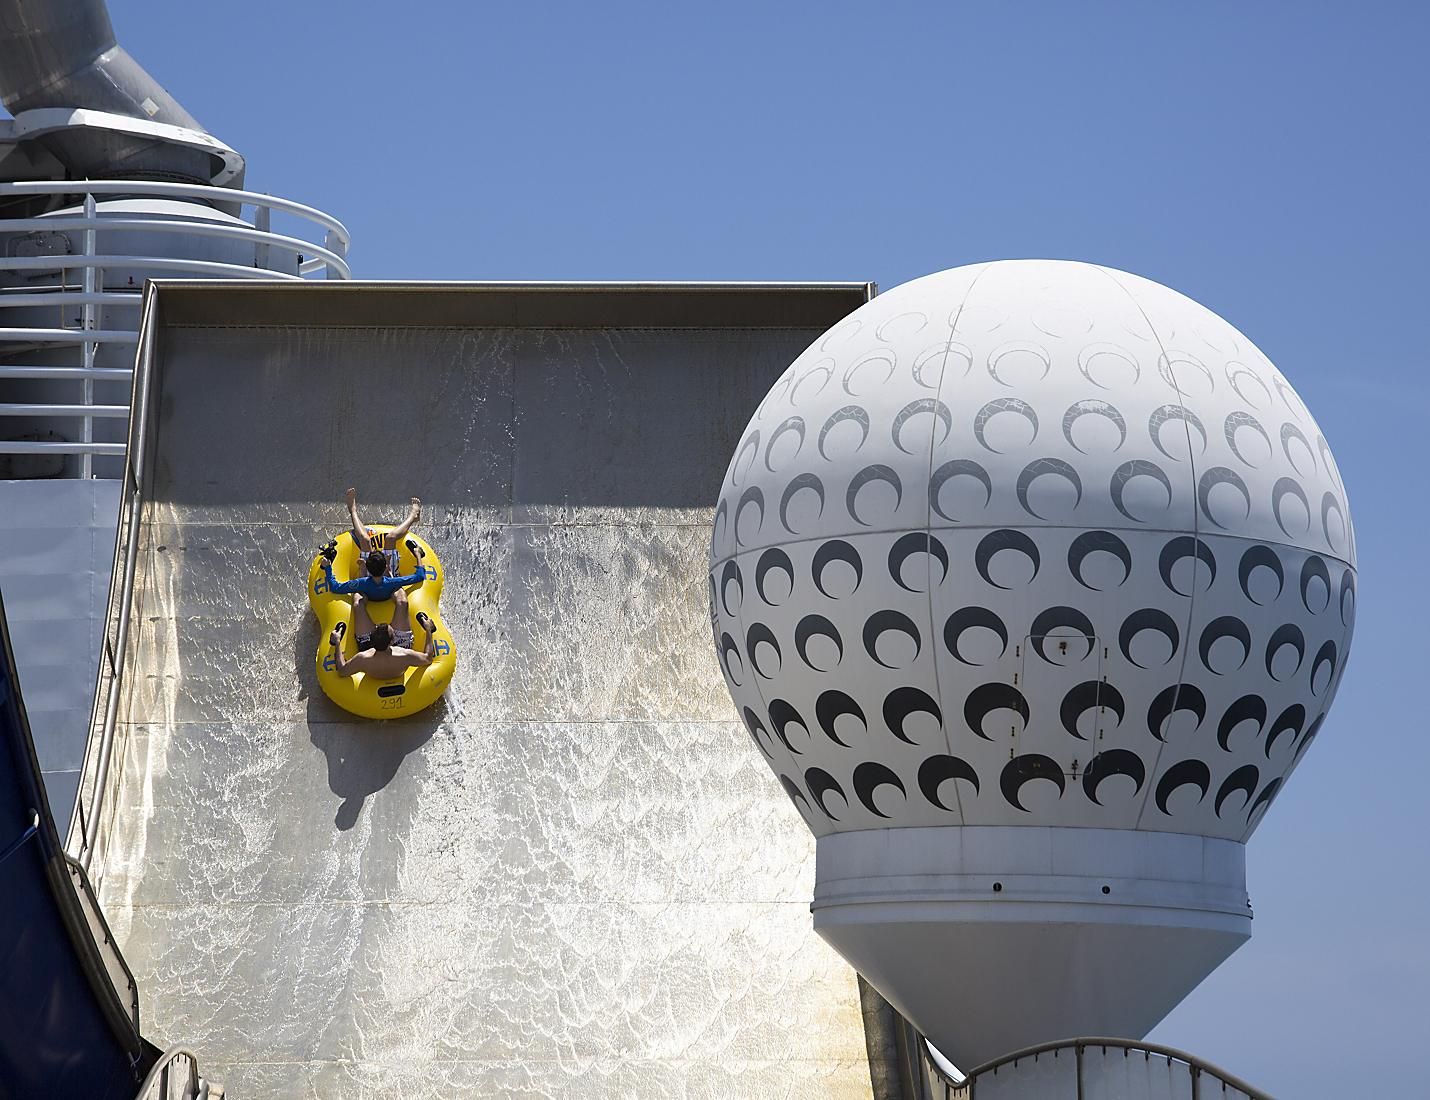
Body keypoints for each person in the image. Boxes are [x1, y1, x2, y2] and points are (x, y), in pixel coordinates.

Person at [329, 593, 437, 680]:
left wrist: (338, 642)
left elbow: (342, 671)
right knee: (402, 602)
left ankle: (366, 582)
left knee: (358, 603)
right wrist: (428, 630)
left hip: (368, 652)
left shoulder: (362, 658)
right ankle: (388, 580)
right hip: (399, 652)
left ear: (372, 638)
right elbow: (428, 658)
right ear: (392, 641)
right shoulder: (405, 655)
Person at [346, 487, 421, 570]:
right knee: (390, 538)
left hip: (369, 575)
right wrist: (418, 555)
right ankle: (413, 516)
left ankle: (352, 511)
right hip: (389, 576)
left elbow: (362, 577)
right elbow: (419, 576)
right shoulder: (390, 576)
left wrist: (363, 567)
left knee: (364, 539)